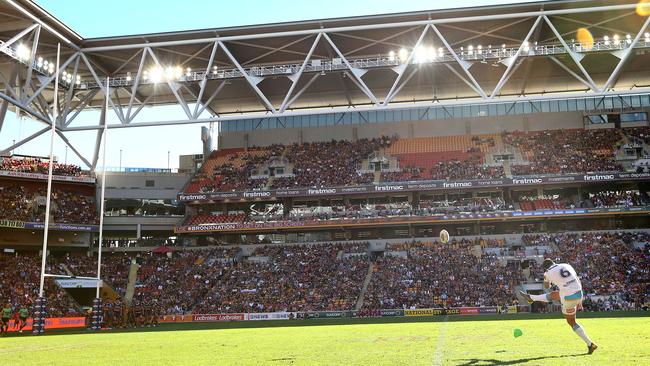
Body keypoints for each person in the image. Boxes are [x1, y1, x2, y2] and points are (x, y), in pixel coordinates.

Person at [520, 259, 598, 354]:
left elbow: (547, 286)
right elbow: (577, 279)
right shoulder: (566, 265)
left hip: (568, 298)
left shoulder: (547, 272)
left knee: (572, 322)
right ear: (553, 263)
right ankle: (531, 298)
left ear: (545, 267)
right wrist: (580, 301)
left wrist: (546, 278)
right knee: (555, 294)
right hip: (579, 293)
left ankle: (590, 344)